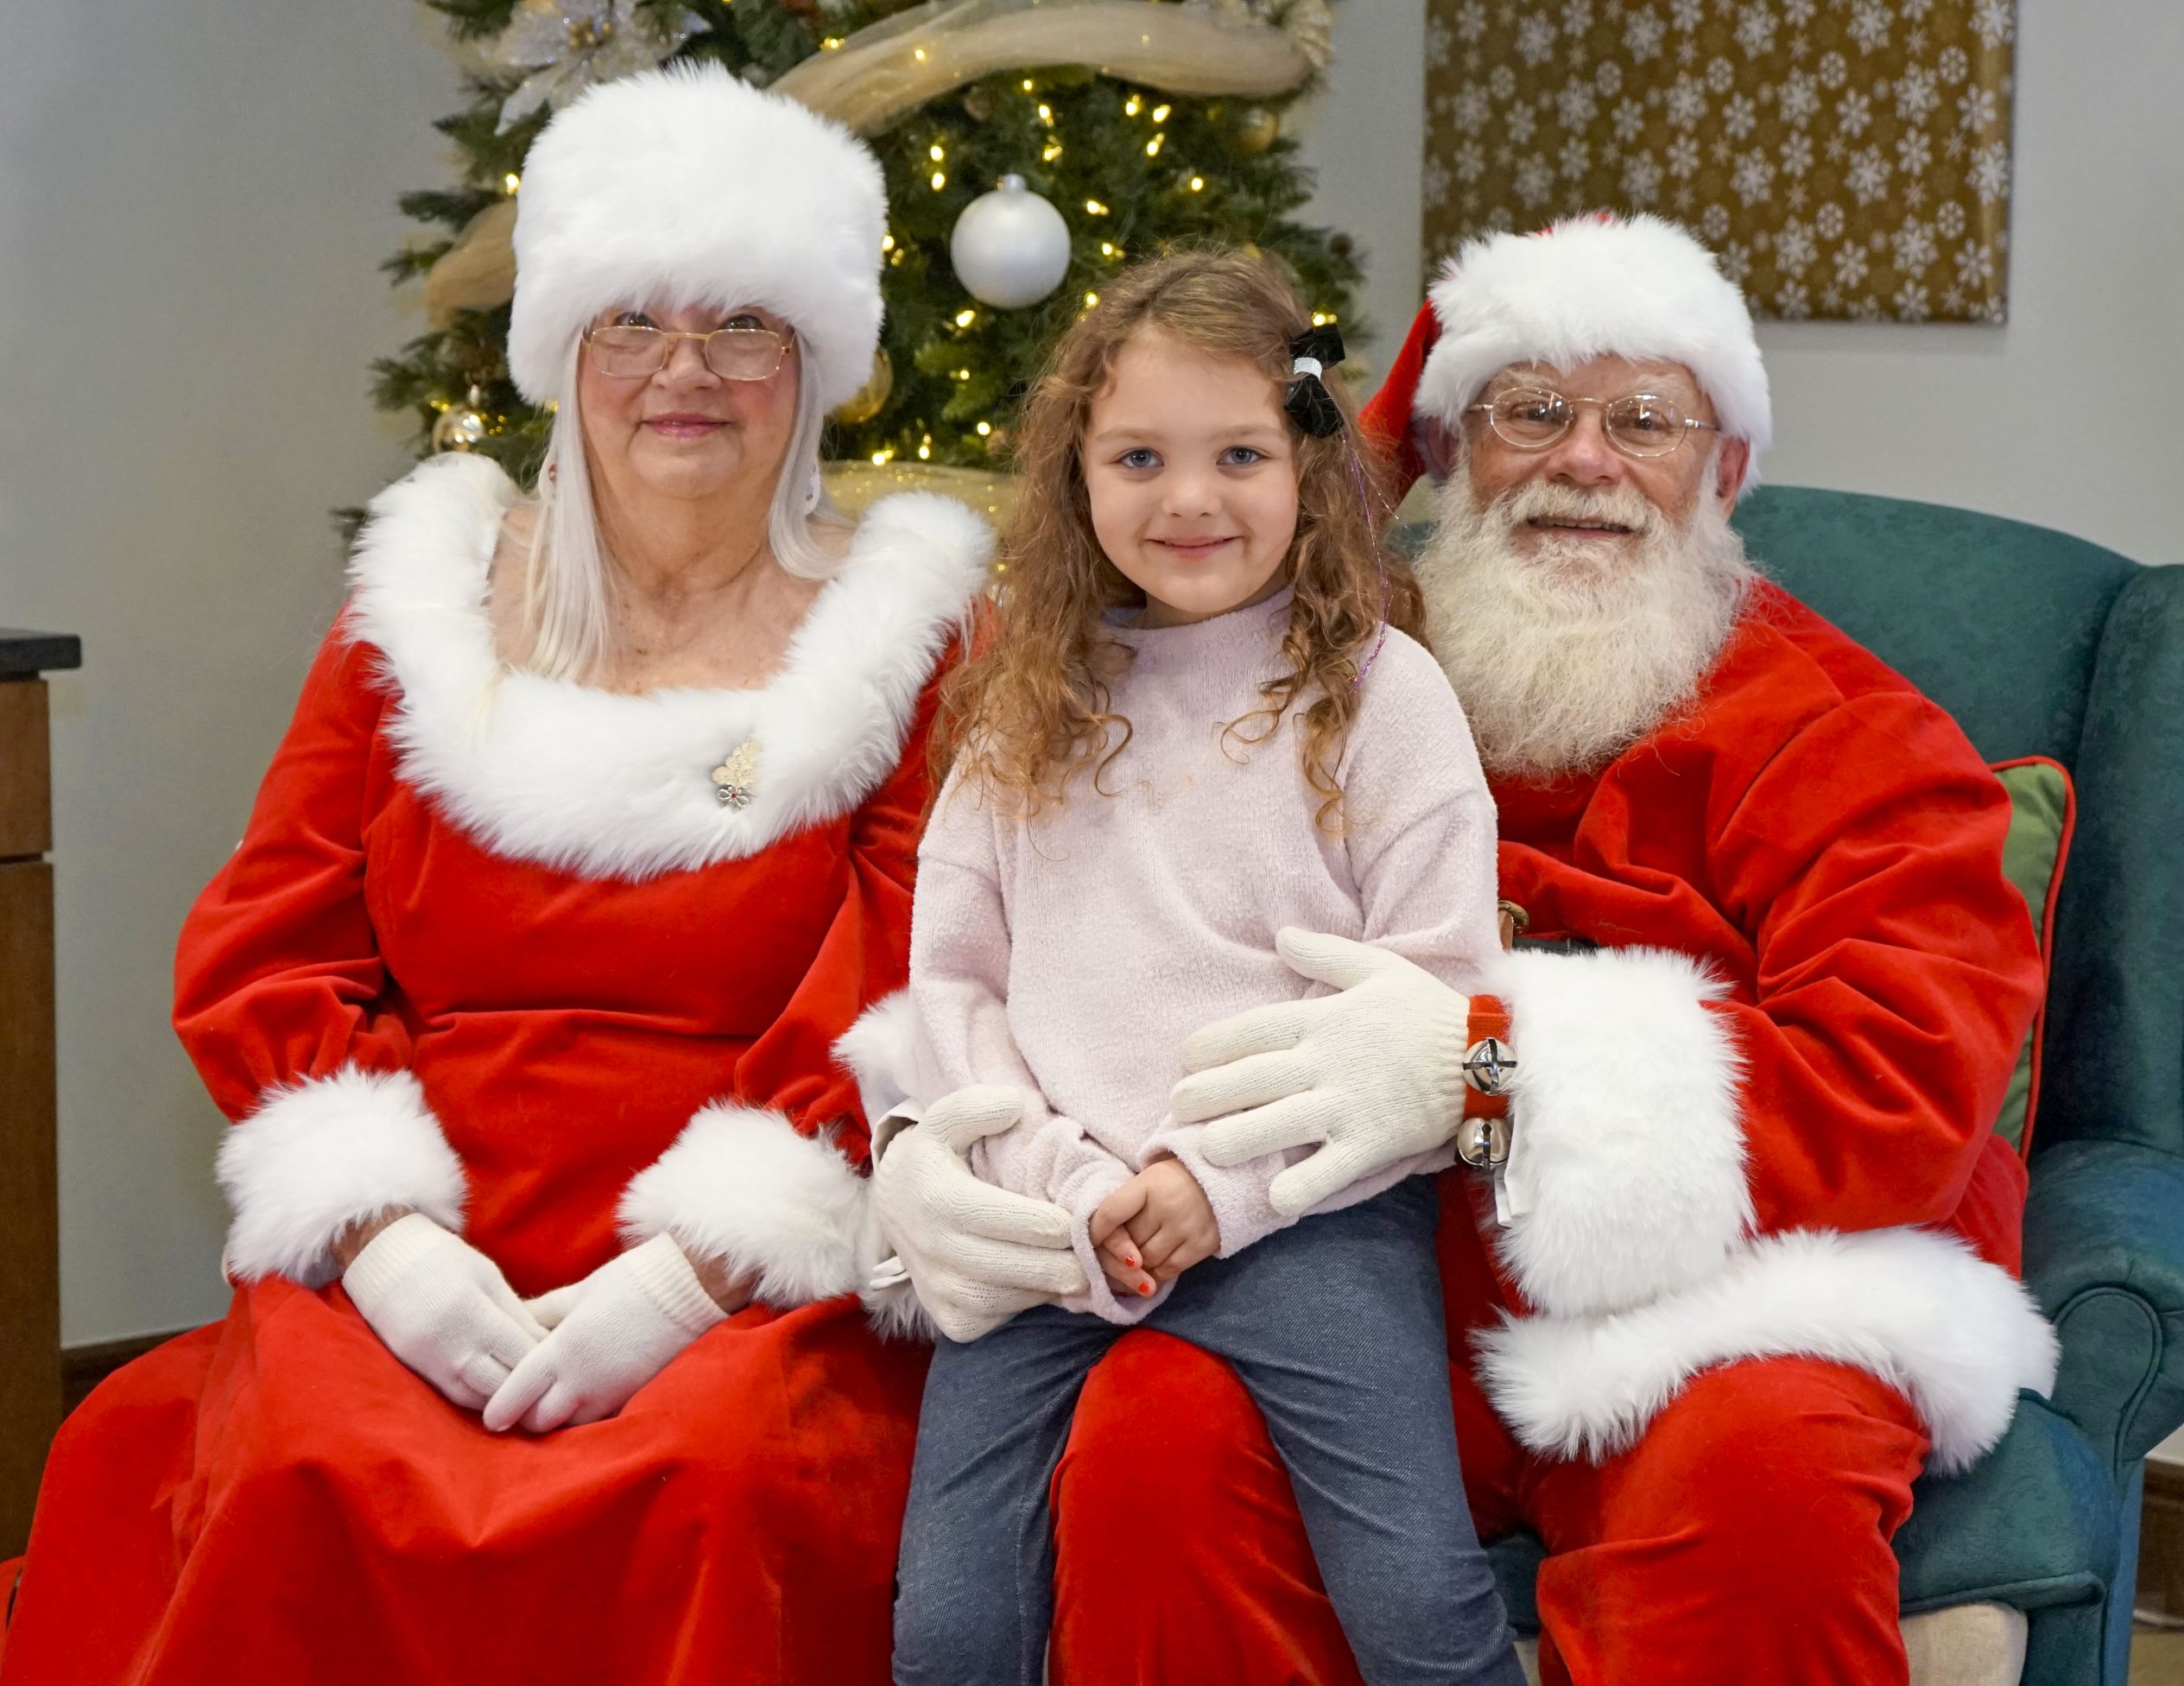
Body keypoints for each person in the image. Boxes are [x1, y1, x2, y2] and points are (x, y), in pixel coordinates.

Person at [864, 213, 2060, 1685]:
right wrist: (926, 1142)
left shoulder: (1855, 740)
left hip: (1716, 1312)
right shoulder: (1301, 667)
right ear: (1446, 452)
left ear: (1729, 469)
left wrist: (1487, 1069)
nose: (1584, 461)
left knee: (1761, 1484)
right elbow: (1038, 935)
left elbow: (1899, 1096)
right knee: (1152, 1446)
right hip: (1331, 1261)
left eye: (1645, 421)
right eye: (1529, 411)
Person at [0, 64, 989, 1686]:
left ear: (815, 364)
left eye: (744, 324)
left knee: (710, 1484)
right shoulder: (424, 605)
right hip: (430, 1220)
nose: (685, 369)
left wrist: (691, 1281)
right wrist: (383, 1240)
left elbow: (916, 986)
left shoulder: (916, 639)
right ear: (562, 352)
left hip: (758, 1276)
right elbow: (270, 945)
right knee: (310, 1460)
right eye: (632, 321)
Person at [883, 250, 1521, 1686]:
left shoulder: (1382, 696)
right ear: (1077, 475)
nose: (1188, 499)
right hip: (1054, 1227)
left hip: (1307, 1218)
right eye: (1138, 458)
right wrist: (1061, 1180)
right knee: (951, 1628)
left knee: (1416, 1607)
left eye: (1238, 454)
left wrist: (1211, 1187)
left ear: (1307, 462)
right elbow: (956, 989)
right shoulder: (1023, 709)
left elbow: (1447, 1011)